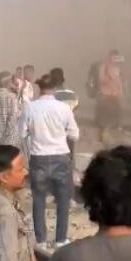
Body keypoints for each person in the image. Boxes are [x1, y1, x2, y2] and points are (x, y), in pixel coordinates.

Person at [23, 73, 80, 247]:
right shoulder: (64, 108)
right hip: (60, 158)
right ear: (55, 88)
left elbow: (21, 134)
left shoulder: (30, 108)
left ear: (40, 88)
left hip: (38, 158)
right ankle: (60, 239)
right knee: (63, 199)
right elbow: (75, 135)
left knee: (38, 199)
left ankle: (40, 240)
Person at [95, 51, 125, 143]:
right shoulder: (104, 67)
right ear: (110, 57)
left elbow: (120, 81)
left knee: (117, 112)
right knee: (105, 114)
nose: (115, 59)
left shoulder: (118, 68)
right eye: (114, 57)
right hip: (105, 93)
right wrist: (110, 78)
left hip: (115, 94)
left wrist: (120, 91)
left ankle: (115, 133)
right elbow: (101, 80)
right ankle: (102, 135)